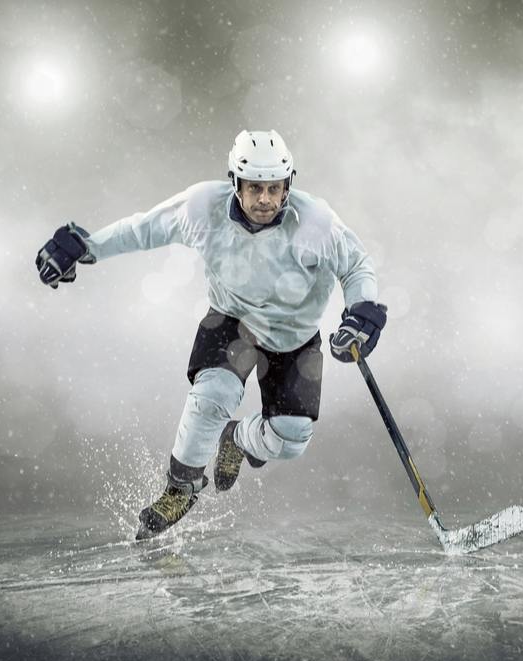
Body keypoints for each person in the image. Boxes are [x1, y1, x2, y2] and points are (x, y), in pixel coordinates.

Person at [35, 130, 387, 540]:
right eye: (254, 187)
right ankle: (180, 488)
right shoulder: (203, 208)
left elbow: (356, 265)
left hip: (294, 338)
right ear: (234, 183)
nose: (265, 200)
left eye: (275, 188)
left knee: (292, 439)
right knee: (211, 396)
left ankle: (236, 438)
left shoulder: (316, 223)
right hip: (232, 322)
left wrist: (361, 312)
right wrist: (87, 247)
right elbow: (143, 229)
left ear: (288, 184)